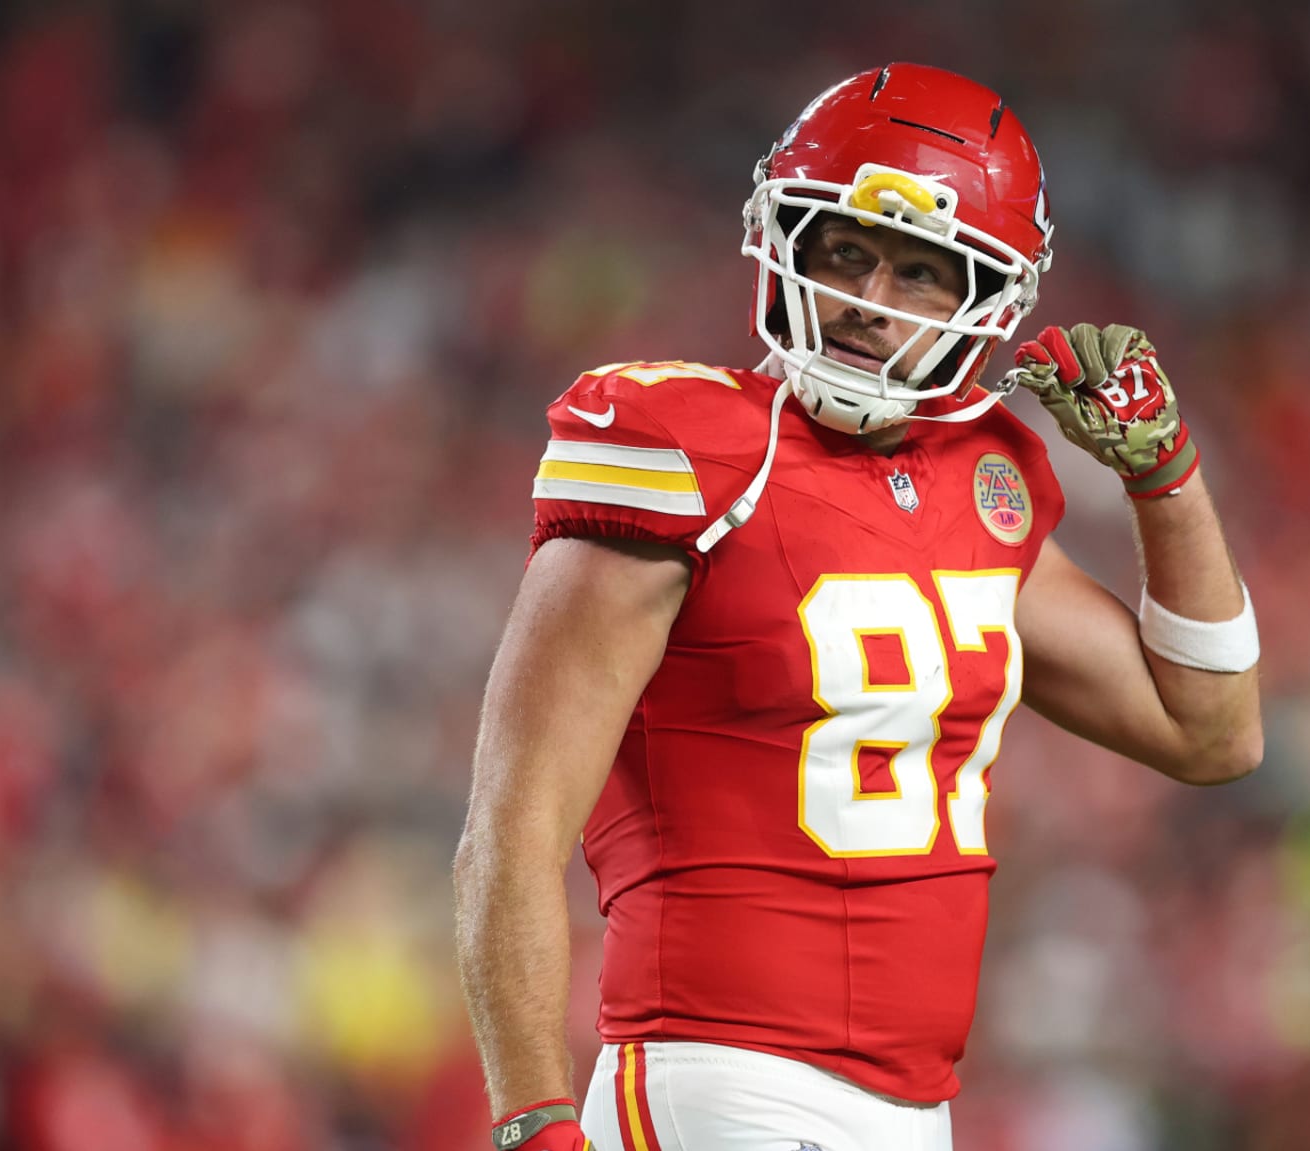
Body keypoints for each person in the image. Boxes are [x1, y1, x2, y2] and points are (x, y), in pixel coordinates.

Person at [453, 63, 1263, 1151]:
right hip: (716, 1081)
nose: (868, 300)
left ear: (988, 300)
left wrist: (1166, 481)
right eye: (846, 249)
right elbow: (510, 832)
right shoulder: (678, 448)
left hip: (907, 1109)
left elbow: (1209, 729)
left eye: (923, 273)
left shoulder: (982, 480)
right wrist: (532, 1117)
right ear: (782, 241)